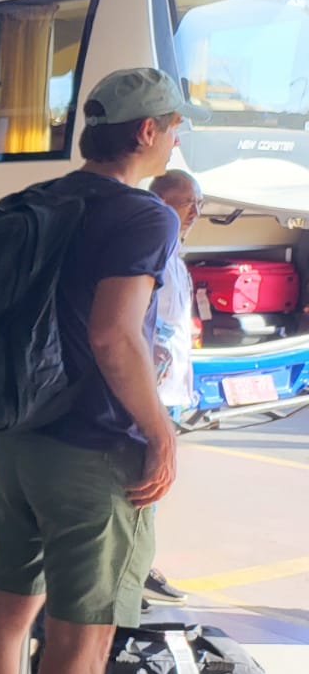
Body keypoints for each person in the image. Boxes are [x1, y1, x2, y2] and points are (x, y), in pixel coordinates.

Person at [0, 67, 193, 674]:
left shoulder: (40, 199)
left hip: (13, 438)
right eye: (172, 125)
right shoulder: (142, 215)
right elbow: (113, 335)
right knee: (81, 639)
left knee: (7, 607)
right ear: (144, 133)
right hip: (92, 451)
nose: (174, 138)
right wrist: (161, 434)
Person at [143, 169, 204, 606]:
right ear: (162, 202)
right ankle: (132, 572)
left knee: (155, 490)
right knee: (144, 485)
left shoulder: (176, 255)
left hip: (174, 395)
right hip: (152, 396)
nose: (196, 213)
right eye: (188, 203)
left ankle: (139, 566)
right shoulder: (151, 251)